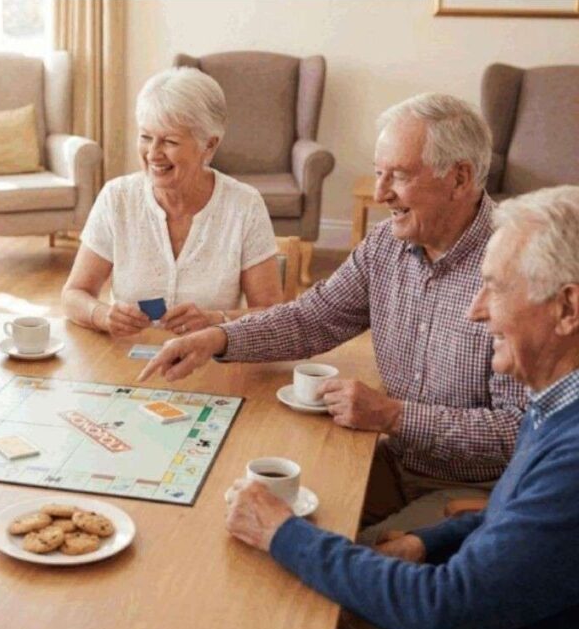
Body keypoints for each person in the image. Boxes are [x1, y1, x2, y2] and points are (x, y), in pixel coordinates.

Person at [225, 185, 579, 629]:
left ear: (567, 310)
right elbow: (514, 525)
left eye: (497, 288)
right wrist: (426, 543)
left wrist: (283, 532)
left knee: (276, 627)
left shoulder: (572, 458)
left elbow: (442, 609)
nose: (476, 310)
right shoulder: (559, 402)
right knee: (261, 620)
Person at [140, 93, 527, 537]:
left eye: (397, 176)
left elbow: (518, 433)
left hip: (480, 493)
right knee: (233, 509)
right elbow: (311, 318)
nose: (380, 194)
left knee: (330, 562)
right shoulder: (386, 244)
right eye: (379, 173)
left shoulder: (517, 266)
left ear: (459, 178)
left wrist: (393, 416)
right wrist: (220, 338)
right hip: (392, 461)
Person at [62, 67, 282, 338]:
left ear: (209, 145)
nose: (153, 154)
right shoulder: (116, 198)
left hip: (211, 363)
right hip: (127, 362)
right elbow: (73, 295)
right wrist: (102, 315)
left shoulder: (244, 206)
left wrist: (216, 320)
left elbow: (271, 313)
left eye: (169, 141)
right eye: (145, 137)